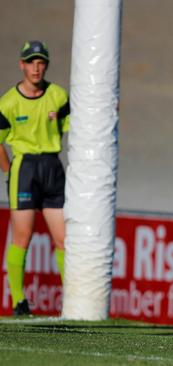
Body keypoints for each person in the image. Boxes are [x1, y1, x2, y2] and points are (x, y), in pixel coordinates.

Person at [0, 41, 69, 316]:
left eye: (41, 62)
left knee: (64, 239)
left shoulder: (58, 95)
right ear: (22, 65)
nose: (36, 68)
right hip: (25, 169)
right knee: (22, 237)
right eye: (31, 62)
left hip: (52, 166)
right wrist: (9, 170)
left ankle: (72, 303)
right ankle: (19, 301)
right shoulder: (8, 102)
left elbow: (75, 127)